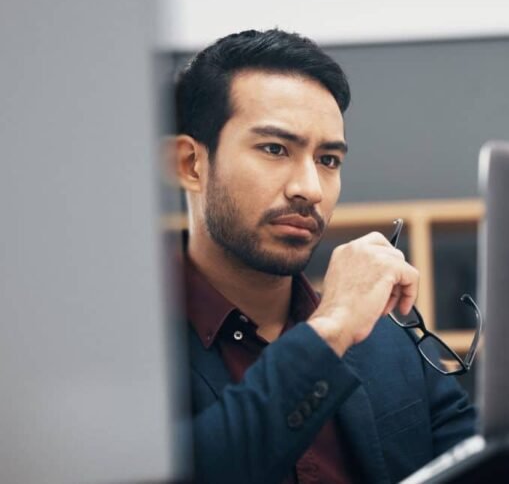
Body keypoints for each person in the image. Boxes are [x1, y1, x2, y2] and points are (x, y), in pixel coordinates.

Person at [172, 29, 476, 484]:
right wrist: (328, 331)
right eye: (275, 149)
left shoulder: (385, 340)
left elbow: (483, 461)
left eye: (328, 160)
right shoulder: (125, 350)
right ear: (191, 164)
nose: (310, 189)